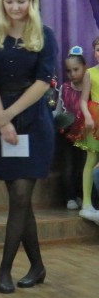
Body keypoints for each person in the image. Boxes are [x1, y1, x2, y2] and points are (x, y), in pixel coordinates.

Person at [0, 0, 57, 293]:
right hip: (3, 121)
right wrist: (1, 120)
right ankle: (37, 266)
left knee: (22, 196)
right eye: (9, 1)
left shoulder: (44, 34)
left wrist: (8, 116)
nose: (15, 7)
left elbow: (43, 82)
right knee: (18, 198)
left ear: (32, 1)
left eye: (21, 1)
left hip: (33, 122)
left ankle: (5, 270)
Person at [58, 47, 88, 210]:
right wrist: (59, 121)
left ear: (84, 67)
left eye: (76, 69)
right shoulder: (64, 88)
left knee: (83, 165)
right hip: (68, 134)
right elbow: (59, 110)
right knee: (69, 165)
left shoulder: (90, 88)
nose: (72, 74)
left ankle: (82, 195)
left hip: (86, 134)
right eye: (69, 71)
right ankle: (69, 196)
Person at [77, 36, 99, 221]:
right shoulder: (90, 73)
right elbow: (83, 100)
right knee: (91, 159)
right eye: (98, 49)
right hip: (95, 117)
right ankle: (86, 202)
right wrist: (88, 116)